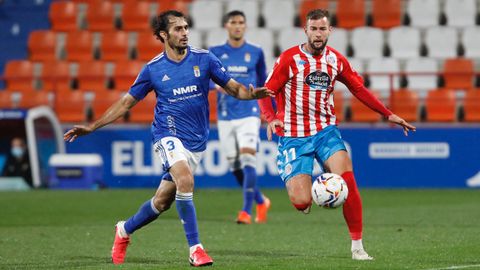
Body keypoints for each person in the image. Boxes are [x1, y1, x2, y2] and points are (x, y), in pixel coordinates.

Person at [63, 10, 272, 267]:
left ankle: (124, 230)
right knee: (185, 179)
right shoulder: (153, 69)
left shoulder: (205, 59)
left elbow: (233, 88)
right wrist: (92, 127)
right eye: (178, 29)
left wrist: (252, 95)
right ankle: (196, 249)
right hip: (166, 133)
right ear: (163, 35)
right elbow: (127, 102)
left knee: (162, 202)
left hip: (196, 140)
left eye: (186, 28)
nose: (185, 33)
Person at [258, 9, 416, 261]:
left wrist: (387, 114)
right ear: (306, 30)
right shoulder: (289, 59)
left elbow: (358, 88)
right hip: (294, 135)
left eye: (322, 29)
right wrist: (272, 117)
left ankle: (357, 247)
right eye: (314, 29)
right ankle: (307, 186)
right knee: (301, 202)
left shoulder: (336, 60)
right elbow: (266, 92)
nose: (318, 34)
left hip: (325, 131)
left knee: (349, 180)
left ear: (330, 31)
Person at [209, 10, 271, 225]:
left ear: (245, 26)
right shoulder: (214, 52)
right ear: (226, 26)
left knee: (248, 158)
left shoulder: (256, 52)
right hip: (225, 115)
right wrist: (217, 85)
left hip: (249, 113)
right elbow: (205, 80)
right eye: (233, 22)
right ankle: (261, 200)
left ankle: (245, 211)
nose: (237, 26)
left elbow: (264, 83)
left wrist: (269, 113)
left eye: (241, 22)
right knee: (235, 167)